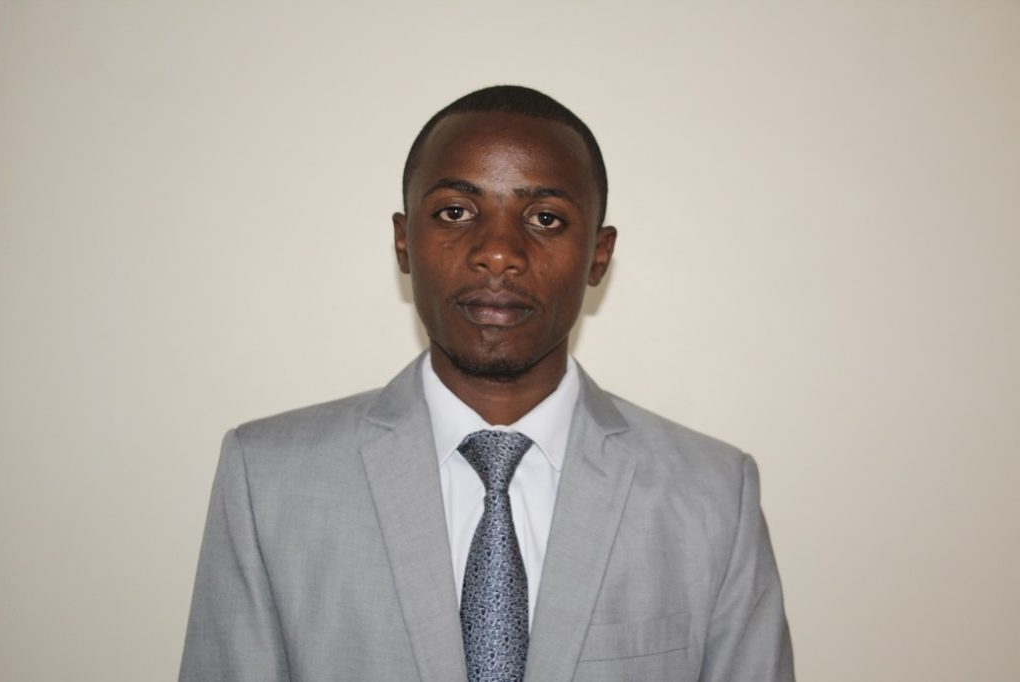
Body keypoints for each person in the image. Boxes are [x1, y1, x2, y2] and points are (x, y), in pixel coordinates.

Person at [180, 85, 795, 682]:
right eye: (456, 212)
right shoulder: (269, 478)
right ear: (403, 242)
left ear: (598, 256)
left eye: (545, 218)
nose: (498, 253)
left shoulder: (713, 496)